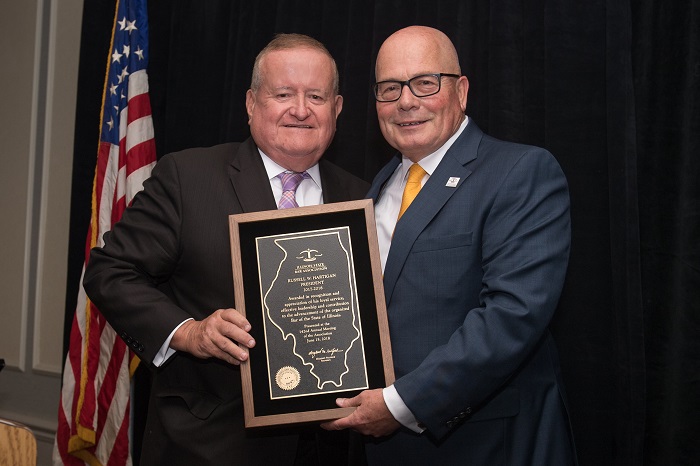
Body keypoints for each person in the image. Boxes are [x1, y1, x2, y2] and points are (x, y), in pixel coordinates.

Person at [83, 33, 369, 466]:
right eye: (283, 94)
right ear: (251, 104)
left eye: (316, 96)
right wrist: (189, 332)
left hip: (329, 449)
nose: (301, 109)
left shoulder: (361, 197)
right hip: (210, 445)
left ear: (338, 108)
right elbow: (109, 271)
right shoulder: (188, 177)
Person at [321, 25, 577, 465]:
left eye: (425, 83)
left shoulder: (521, 171)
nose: (406, 101)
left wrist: (401, 404)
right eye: (389, 88)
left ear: (461, 91)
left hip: (485, 445)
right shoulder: (377, 187)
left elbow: (513, 315)